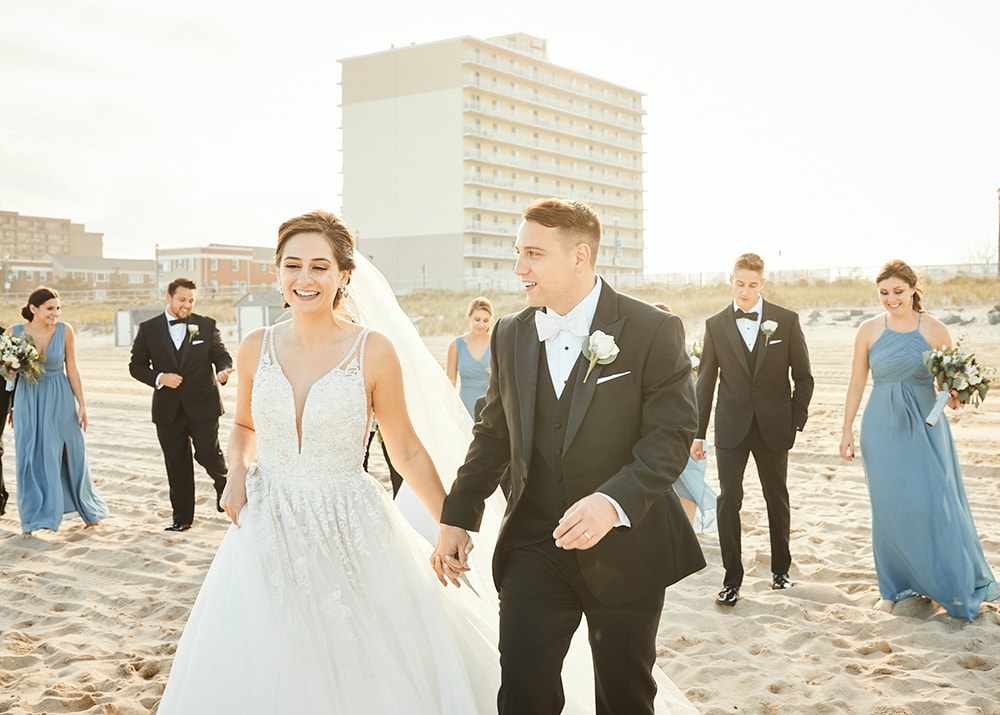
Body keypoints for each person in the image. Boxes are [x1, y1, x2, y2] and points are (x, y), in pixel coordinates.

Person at [156, 210, 499, 713]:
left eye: (320, 266)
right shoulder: (256, 346)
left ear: (343, 276)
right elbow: (245, 426)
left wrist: (450, 520)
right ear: (277, 272)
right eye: (292, 265)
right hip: (267, 522)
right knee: (272, 653)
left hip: (349, 520)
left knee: (362, 653)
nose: (305, 278)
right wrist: (234, 477)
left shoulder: (372, 350)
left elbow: (404, 447)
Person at [435, 198, 705, 714]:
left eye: (533, 254)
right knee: (522, 694)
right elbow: (494, 433)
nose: (519, 268)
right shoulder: (510, 333)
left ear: (580, 256)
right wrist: (458, 516)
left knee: (625, 697)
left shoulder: (652, 330)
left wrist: (612, 502)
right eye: (518, 253)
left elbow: (670, 435)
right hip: (534, 547)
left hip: (627, 547)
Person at [839, 259, 999, 621]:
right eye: (884, 293)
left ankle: (944, 581)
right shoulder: (867, 330)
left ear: (913, 288)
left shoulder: (935, 329)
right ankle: (893, 587)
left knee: (932, 504)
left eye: (898, 291)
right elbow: (856, 382)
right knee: (889, 508)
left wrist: (956, 395)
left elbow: (946, 385)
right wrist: (847, 429)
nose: (891, 299)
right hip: (880, 428)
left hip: (926, 429)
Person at [692, 252, 814, 608]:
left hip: (775, 426)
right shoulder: (715, 324)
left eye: (752, 285)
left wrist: (795, 419)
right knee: (728, 498)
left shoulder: (786, 321)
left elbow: (803, 377)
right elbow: (705, 383)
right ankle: (732, 580)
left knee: (776, 497)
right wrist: (697, 434)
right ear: (730, 280)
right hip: (731, 427)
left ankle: (781, 571)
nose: (745, 292)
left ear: (762, 283)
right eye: (739, 284)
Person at [128, 278, 234, 532]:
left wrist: (223, 370)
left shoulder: (205, 325)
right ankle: (182, 519)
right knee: (177, 465)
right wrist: (159, 378)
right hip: (168, 411)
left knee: (208, 455)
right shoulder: (149, 329)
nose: (187, 305)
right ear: (169, 297)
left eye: (191, 301)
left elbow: (220, 353)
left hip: (203, 405)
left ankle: (223, 484)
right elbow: (136, 366)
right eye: (182, 299)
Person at [7, 288, 108, 533]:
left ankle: (88, 511)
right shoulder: (14, 332)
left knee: (71, 451)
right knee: (31, 455)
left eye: (58, 308)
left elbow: (72, 368)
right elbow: (8, 373)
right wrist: (10, 378)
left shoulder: (65, 330)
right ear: (34, 309)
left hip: (60, 395)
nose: (56, 313)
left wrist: (82, 404)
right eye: (50, 308)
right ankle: (32, 519)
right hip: (28, 398)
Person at [653, 301, 717, 532]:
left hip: (686, 430)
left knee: (689, 480)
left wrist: (696, 435)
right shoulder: (642, 357)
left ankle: (687, 531)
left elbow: (695, 399)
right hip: (656, 433)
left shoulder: (686, 357)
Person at [447, 296, 493, 418]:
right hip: (465, 408)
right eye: (477, 319)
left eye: (485, 320)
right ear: (469, 318)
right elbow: (451, 380)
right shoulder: (456, 345)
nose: (481, 324)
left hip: (490, 407)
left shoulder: (496, 343)